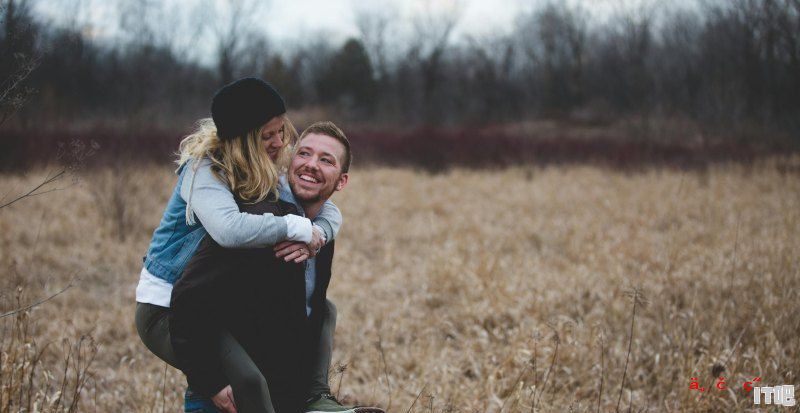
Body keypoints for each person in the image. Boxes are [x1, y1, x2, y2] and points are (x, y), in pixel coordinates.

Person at [134, 78, 342, 411]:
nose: (278, 142)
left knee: (317, 316)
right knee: (246, 383)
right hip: (168, 306)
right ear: (244, 139)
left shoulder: (262, 167)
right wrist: (293, 226)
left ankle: (316, 399)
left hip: (209, 304)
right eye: (266, 135)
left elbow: (319, 202)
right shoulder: (204, 171)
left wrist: (319, 235)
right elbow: (228, 230)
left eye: (281, 130)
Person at [170, 122, 384, 413]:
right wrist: (210, 382)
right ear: (289, 162)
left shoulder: (319, 231)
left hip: (278, 394)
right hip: (225, 398)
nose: (311, 165)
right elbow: (187, 300)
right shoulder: (258, 222)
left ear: (342, 181)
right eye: (304, 154)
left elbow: (299, 316)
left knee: (326, 309)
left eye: (326, 160)